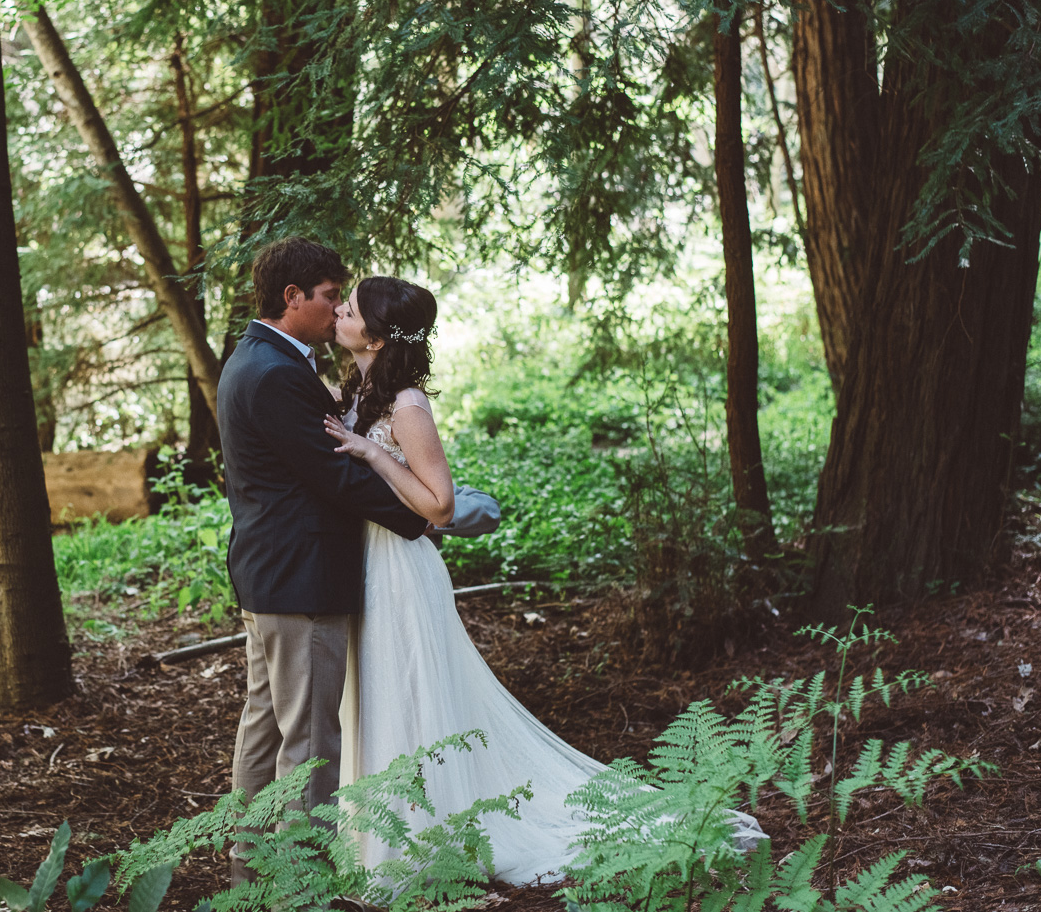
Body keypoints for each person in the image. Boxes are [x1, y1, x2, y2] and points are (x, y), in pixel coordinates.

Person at [324, 275, 767, 883]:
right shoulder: (358, 393)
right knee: (374, 689)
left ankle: (419, 838)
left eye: (347, 308)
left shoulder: (405, 405)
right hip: (369, 562)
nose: (337, 313)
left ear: (374, 335)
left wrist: (373, 454)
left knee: (407, 688)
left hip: (401, 566)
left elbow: (442, 507)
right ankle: (379, 827)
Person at [216, 238, 429, 888]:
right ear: (293, 297)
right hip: (301, 576)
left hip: (270, 574)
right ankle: (301, 885)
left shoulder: (254, 359)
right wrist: (416, 516)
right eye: (332, 295)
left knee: (263, 729)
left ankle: (250, 868)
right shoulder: (277, 371)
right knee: (309, 741)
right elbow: (330, 474)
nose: (339, 308)